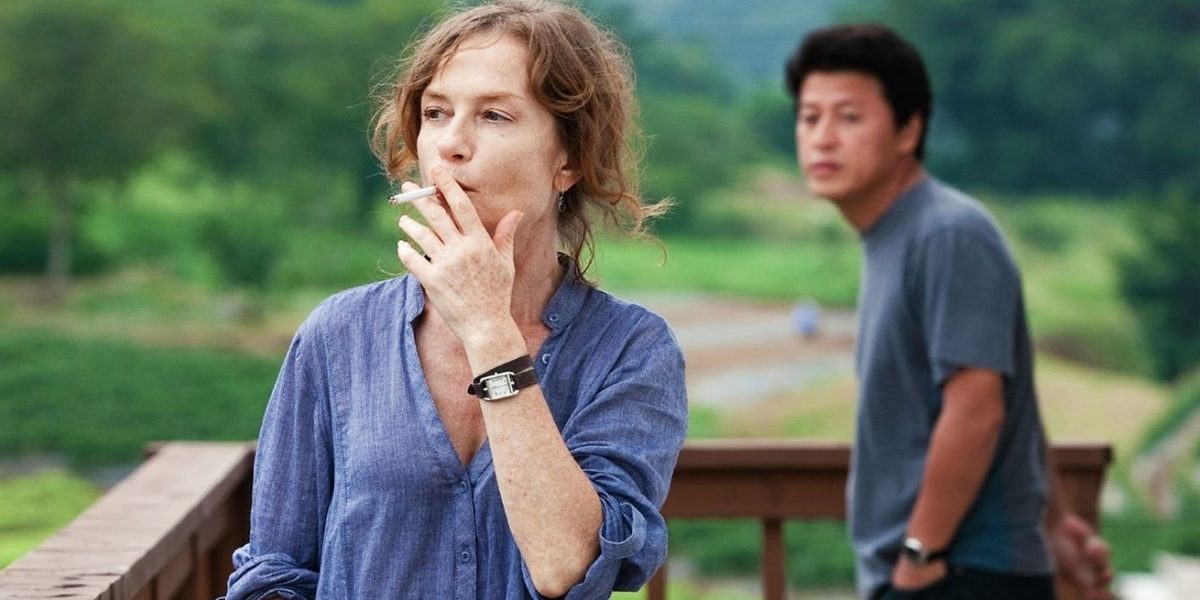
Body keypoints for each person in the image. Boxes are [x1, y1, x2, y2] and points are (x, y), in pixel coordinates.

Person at [222, 1, 687, 598]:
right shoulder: (339, 334)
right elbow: (274, 571)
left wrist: (490, 329)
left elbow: (567, 566)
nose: (450, 144)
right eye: (435, 113)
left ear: (569, 158)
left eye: (494, 115)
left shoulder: (632, 350)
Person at [784, 24, 1114, 600]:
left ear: (909, 129)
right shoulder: (893, 235)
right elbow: (1009, 399)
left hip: (960, 571)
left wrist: (920, 554)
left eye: (849, 117)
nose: (823, 138)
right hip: (941, 569)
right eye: (810, 118)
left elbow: (978, 410)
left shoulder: (947, 234)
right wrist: (1055, 520)